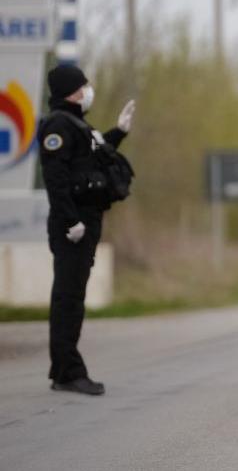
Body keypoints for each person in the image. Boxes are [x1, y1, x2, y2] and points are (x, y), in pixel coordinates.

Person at [38, 63, 136, 396]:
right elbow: (56, 179)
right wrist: (70, 221)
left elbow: (93, 160)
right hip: (73, 225)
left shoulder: (77, 124)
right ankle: (68, 372)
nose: (88, 90)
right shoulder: (57, 125)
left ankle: (63, 369)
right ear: (72, 91)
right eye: (84, 86)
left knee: (72, 297)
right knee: (68, 299)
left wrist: (119, 132)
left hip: (85, 221)